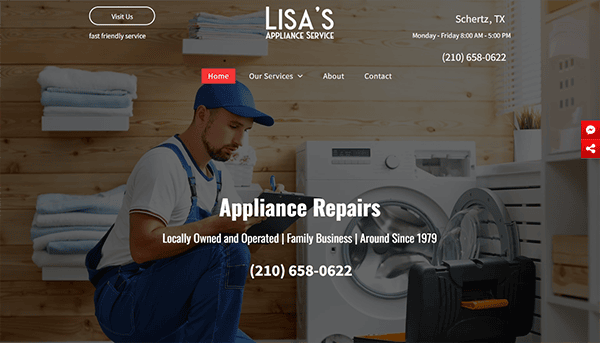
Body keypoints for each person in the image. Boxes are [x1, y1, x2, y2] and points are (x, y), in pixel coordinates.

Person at [85, 81, 275, 342]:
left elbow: (243, 252)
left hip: (176, 302)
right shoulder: (163, 163)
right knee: (227, 248)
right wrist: (217, 226)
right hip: (125, 299)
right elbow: (143, 247)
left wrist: (269, 218)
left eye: (246, 130)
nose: (240, 140)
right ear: (202, 115)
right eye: (233, 126)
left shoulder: (220, 176)